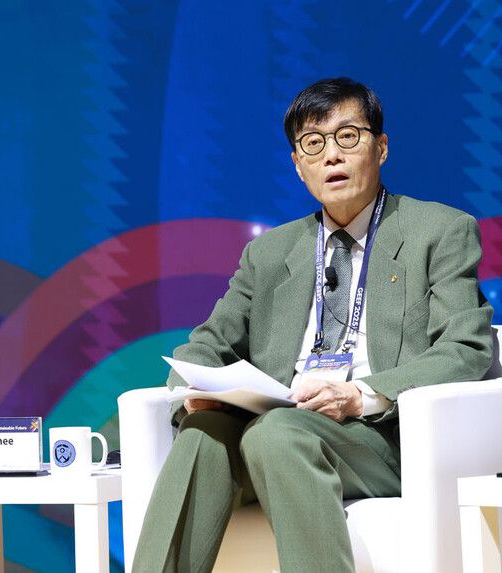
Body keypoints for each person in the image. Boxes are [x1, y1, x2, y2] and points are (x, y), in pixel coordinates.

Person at [132, 77, 493, 573]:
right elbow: (207, 342)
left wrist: (361, 394)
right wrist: (193, 390)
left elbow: (466, 348)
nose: (332, 156)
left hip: (378, 437)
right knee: (203, 432)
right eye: (313, 144)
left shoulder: (439, 231)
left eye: (348, 136)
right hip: (278, 423)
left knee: (276, 433)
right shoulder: (269, 253)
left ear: (381, 147)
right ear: (298, 165)